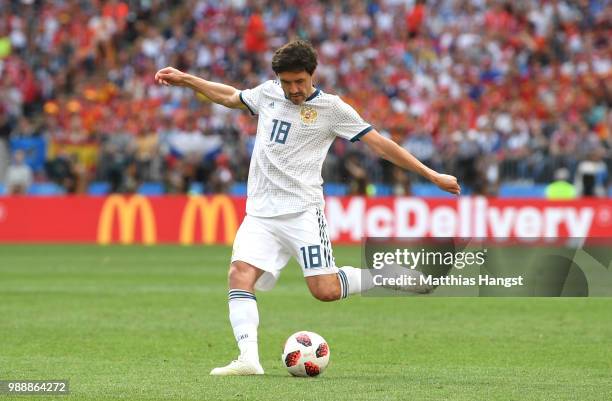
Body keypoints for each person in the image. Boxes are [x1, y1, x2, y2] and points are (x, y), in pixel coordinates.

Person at [155, 40, 460, 376]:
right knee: (239, 275)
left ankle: (386, 275)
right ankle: (248, 359)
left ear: (312, 75)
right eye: (287, 82)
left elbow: (382, 146)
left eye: (299, 81)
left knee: (325, 291)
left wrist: (431, 175)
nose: (293, 89)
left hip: (303, 213)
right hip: (260, 214)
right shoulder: (269, 93)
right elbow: (230, 96)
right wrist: (188, 79)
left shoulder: (333, 109)